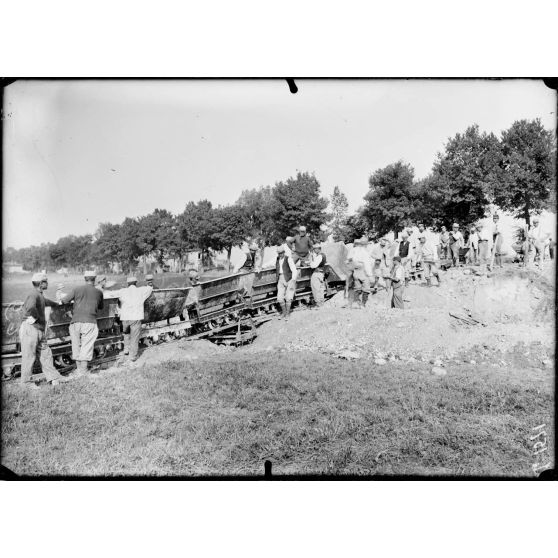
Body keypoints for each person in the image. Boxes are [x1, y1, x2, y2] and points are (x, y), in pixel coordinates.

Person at [19, 273, 69, 389]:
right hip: (31, 328)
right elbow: (31, 307)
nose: (48, 283)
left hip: (38, 329)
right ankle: (26, 383)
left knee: (46, 354)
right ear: (41, 284)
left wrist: (58, 304)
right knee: (29, 356)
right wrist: (36, 317)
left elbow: (46, 302)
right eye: (46, 281)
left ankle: (54, 377)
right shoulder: (33, 294)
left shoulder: (39, 295)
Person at [60, 271, 104, 376]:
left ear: (85, 279)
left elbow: (64, 301)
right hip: (90, 321)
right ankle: (83, 371)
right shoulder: (99, 292)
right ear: (95, 279)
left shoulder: (77, 289)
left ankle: (79, 370)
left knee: (76, 346)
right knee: (86, 346)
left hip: (75, 322)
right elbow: (101, 307)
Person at [112, 277, 153, 363]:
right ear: (136, 283)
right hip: (135, 317)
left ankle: (126, 350)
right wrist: (149, 282)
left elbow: (111, 294)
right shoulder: (141, 290)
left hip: (125, 317)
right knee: (134, 337)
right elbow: (150, 288)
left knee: (126, 334)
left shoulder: (122, 291)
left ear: (128, 283)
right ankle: (133, 356)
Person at [346, 237, 373, 308]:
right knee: (366, 289)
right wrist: (370, 275)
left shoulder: (355, 250)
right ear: (366, 244)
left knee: (357, 288)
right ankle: (363, 304)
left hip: (355, 270)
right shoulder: (365, 252)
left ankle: (357, 302)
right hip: (363, 270)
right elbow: (367, 264)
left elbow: (349, 259)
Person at [275, 245, 298, 320]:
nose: (280, 254)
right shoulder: (277, 259)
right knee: (280, 298)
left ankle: (287, 313)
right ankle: (284, 312)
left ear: (284, 252)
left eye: (281, 253)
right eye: (279, 253)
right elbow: (270, 263)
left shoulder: (288, 259)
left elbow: (294, 270)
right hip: (281, 279)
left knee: (288, 297)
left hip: (289, 279)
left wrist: (293, 280)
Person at [309, 243, 327, 307]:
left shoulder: (319, 256)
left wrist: (310, 261)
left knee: (315, 288)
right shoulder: (323, 255)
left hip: (317, 273)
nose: (314, 250)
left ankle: (318, 303)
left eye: (314, 249)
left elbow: (313, 266)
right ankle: (321, 302)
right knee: (321, 289)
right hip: (321, 273)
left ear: (318, 249)